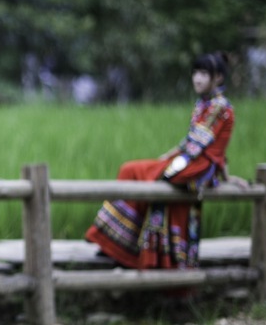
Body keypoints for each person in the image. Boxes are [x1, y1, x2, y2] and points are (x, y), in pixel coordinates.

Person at [85, 52, 235, 269]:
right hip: (191, 161)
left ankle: (123, 248)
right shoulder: (204, 104)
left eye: (204, 73)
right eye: (195, 72)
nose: (197, 78)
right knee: (129, 170)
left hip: (197, 166)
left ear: (218, 78)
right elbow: (195, 143)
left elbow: (198, 146)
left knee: (143, 174)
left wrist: (171, 160)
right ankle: (117, 244)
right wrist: (169, 156)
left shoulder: (219, 107)